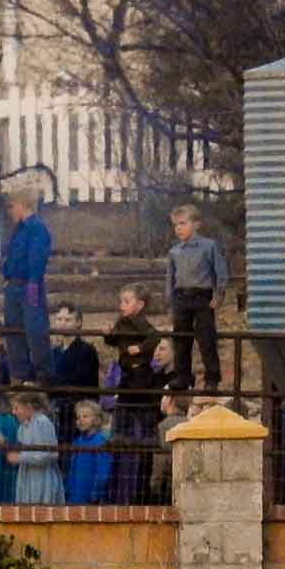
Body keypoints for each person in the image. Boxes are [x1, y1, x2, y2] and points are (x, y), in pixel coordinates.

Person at [107, 284, 163, 505]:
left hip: (140, 371)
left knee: (143, 404)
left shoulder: (141, 322)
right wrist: (108, 334)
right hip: (127, 372)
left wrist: (139, 349)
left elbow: (154, 337)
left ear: (140, 305)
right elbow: (114, 342)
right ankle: (121, 433)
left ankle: (149, 435)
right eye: (121, 301)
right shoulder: (122, 323)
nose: (122, 305)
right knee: (124, 404)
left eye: (127, 301)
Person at [166, 205, 228, 393]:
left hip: (202, 297)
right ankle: (182, 376)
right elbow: (170, 278)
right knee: (181, 340)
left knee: (206, 338)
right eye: (176, 225)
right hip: (181, 298)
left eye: (183, 223)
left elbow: (221, 272)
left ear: (197, 224)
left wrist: (219, 295)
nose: (178, 228)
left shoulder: (209, 246)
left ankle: (212, 379)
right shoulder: (174, 251)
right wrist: (170, 304)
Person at [1, 187, 53, 384]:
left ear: (22, 205)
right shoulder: (19, 229)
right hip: (13, 286)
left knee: (35, 331)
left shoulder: (37, 228)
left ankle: (43, 377)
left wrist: (33, 282)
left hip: (28, 285)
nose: (10, 212)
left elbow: (37, 258)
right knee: (13, 332)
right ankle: (19, 375)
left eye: (12, 207)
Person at [48, 302, 101, 444]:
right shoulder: (53, 352)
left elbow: (82, 382)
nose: (62, 324)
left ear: (78, 323)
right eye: (59, 319)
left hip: (77, 414)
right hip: (57, 411)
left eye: (67, 320)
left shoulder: (86, 350)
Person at [5, 391, 64, 505]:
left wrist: (20, 458)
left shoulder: (42, 422)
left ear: (29, 406)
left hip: (42, 480)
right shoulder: (23, 427)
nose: (13, 412)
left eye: (16, 408)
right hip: (28, 479)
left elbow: (50, 454)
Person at [65, 400, 113, 505]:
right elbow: (72, 468)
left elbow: (103, 473)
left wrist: (95, 495)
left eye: (85, 416)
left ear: (96, 419)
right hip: (74, 496)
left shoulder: (101, 441)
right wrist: (68, 489)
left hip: (90, 498)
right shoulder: (77, 441)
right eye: (78, 417)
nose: (80, 420)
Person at [149, 394, 189, 503]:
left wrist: (155, 485)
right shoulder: (189, 423)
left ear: (171, 401)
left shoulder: (163, 426)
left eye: (165, 396)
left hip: (166, 485)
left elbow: (160, 460)